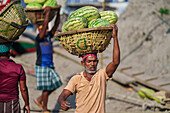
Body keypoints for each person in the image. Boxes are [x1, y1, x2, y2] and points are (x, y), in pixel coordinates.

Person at [58, 24, 120, 113]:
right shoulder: (76, 79)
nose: (92, 64)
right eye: (89, 61)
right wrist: (62, 102)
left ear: (97, 62)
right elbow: (63, 95)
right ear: (83, 63)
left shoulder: (101, 75)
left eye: (94, 61)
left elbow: (115, 62)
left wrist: (115, 37)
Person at [33, 6, 62, 113]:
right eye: (42, 28)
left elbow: (56, 25)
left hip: (49, 65)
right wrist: (47, 14)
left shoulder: (49, 36)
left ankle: (39, 99)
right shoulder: (38, 39)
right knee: (46, 88)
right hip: (42, 65)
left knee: (57, 83)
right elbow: (45, 25)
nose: (45, 29)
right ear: (39, 30)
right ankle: (44, 109)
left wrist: (58, 13)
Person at [0, 43, 30, 113]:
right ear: (10, 52)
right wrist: (27, 104)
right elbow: (23, 89)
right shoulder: (18, 67)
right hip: (12, 104)